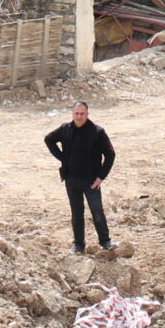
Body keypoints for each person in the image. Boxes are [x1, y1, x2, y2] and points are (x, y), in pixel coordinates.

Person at [43, 102, 116, 255]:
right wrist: (63, 158)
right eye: (76, 113)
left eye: (82, 114)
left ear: (87, 114)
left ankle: (105, 241)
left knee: (97, 211)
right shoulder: (65, 129)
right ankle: (78, 245)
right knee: (77, 213)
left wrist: (101, 177)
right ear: (72, 114)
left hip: (91, 180)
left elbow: (110, 155)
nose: (79, 117)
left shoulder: (97, 132)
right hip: (71, 179)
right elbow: (48, 139)